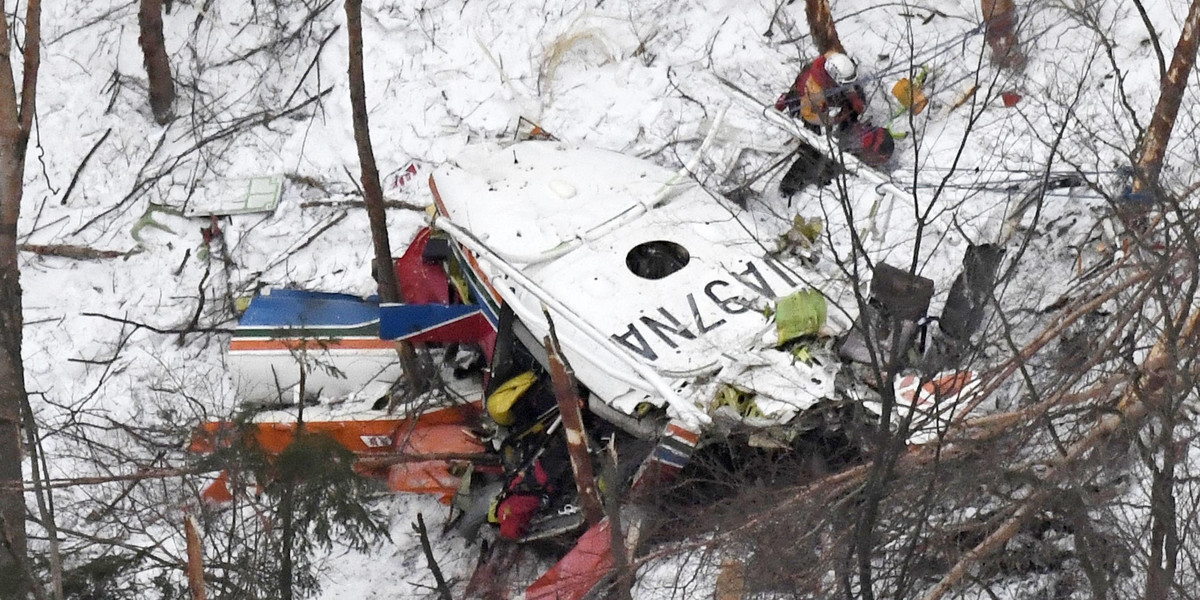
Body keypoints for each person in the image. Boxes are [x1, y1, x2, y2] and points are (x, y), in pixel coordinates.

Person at [776, 51, 866, 128]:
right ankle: (787, 99)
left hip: (826, 84)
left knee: (857, 94)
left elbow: (846, 81)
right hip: (804, 96)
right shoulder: (814, 92)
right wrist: (834, 120)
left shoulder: (834, 58)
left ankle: (851, 124)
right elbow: (809, 115)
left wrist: (853, 97)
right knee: (811, 125)